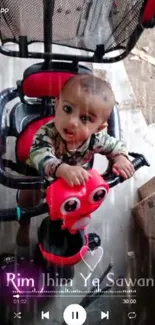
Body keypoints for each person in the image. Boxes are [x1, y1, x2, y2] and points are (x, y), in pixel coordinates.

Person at [16, 74, 135, 246]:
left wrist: (121, 157)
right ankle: (24, 225)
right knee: (27, 200)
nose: (72, 122)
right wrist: (61, 169)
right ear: (56, 105)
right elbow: (39, 154)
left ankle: (70, 223)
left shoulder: (95, 139)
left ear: (98, 128)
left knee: (78, 207)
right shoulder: (47, 133)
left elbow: (114, 145)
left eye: (85, 118)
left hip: (73, 185)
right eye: (67, 109)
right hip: (39, 177)